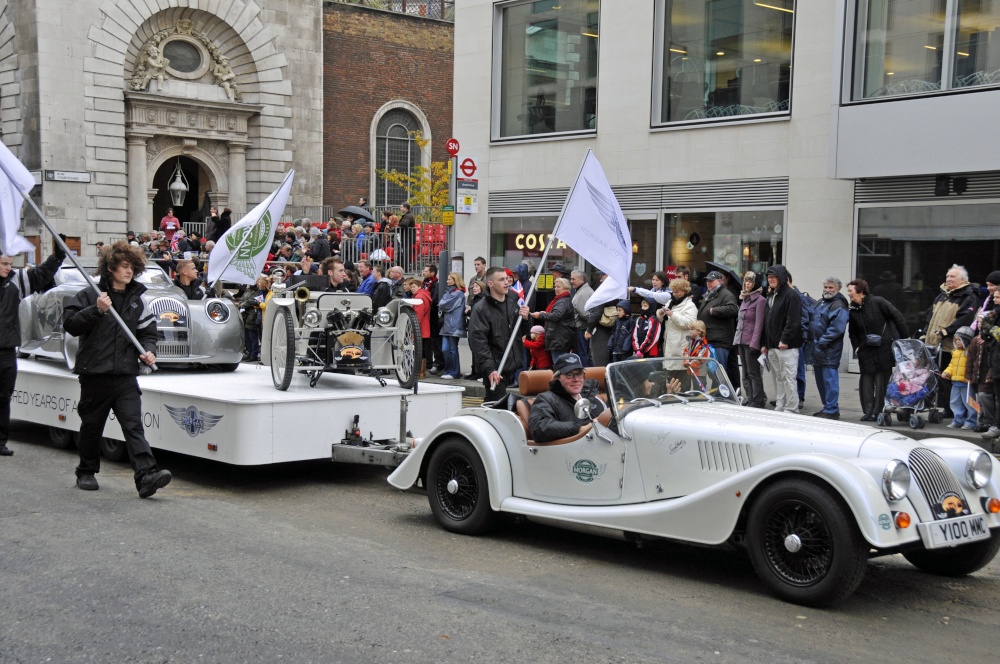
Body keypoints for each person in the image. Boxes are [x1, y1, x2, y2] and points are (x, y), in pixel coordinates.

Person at [62, 241, 172, 497]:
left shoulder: (137, 300)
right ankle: (86, 472)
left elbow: (148, 332)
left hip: (125, 375)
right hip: (95, 374)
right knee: (91, 426)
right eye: (124, 266)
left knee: (133, 426)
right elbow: (70, 324)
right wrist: (96, 310)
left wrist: (148, 349)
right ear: (110, 267)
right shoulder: (90, 294)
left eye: (132, 267)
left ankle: (146, 475)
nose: (129, 271)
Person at [0, 244, 66, 456]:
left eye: (10, 264)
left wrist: (57, 257)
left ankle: (0, 442)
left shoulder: (16, 280)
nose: (8, 268)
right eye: (3, 264)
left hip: (7, 349)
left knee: (4, 397)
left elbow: (40, 275)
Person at [846, 278, 909, 421]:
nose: (848, 294)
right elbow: (852, 332)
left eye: (850, 291)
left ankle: (877, 411)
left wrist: (905, 340)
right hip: (865, 349)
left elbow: (897, 317)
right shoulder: (853, 310)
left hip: (883, 348)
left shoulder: (878, 302)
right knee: (866, 380)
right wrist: (857, 348)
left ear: (860, 291)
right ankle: (868, 411)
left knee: (881, 381)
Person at [922, 264, 979, 415]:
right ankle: (944, 406)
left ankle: (954, 409)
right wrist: (925, 333)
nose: (948, 279)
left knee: (951, 378)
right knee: (938, 376)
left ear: (962, 280)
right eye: (947, 276)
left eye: (952, 276)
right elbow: (931, 315)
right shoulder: (942, 294)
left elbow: (964, 318)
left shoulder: (968, 296)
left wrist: (947, 331)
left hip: (952, 345)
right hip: (935, 343)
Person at [468, 266, 530, 402]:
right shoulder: (481, 309)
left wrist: (525, 319)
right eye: (501, 280)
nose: (506, 282)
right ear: (490, 283)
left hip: (511, 364)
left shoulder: (512, 303)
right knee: (497, 407)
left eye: (507, 279)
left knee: (499, 406)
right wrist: (490, 369)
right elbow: (478, 342)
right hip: (495, 368)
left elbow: (520, 333)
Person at [528, 354, 606, 443]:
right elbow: (539, 428)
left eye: (579, 374)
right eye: (569, 375)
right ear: (557, 378)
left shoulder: (593, 397)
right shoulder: (546, 399)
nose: (576, 379)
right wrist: (579, 428)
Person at [761, 265, 803, 413]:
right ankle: (781, 404)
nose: (770, 280)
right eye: (769, 277)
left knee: (789, 377)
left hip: (786, 346)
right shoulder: (772, 295)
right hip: (772, 345)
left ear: (781, 278)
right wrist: (765, 343)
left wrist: (785, 339)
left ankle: (792, 407)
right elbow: (767, 321)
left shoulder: (791, 295)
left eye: (774, 277)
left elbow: (793, 321)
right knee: (778, 377)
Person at [809, 277, 850, 419]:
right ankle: (827, 408)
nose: (827, 290)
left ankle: (832, 410)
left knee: (829, 380)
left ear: (838, 289)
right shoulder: (821, 302)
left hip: (829, 349)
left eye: (830, 287)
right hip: (817, 347)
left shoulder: (839, 304)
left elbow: (837, 328)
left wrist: (821, 342)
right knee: (821, 380)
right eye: (825, 287)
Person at [734, 271, 767, 408]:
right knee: (745, 373)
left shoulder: (760, 301)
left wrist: (755, 343)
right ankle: (750, 397)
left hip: (751, 342)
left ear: (756, 284)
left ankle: (757, 400)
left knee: (753, 373)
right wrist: (736, 340)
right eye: (746, 281)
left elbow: (759, 324)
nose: (747, 284)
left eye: (750, 281)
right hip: (741, 340)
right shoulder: (744, 298)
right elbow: (740, 322)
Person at [696, 270, 738, 372]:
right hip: (710, 340)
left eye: (711, 281)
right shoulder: (710, 294)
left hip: (719, 342)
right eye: (707, 281)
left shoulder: (726, 294)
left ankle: (721, 389)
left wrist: (714, 310)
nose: (708, 283)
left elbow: (733, 309)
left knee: (718, 372)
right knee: (712, 372)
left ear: (720, 281)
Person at [531, 277, 575, 364]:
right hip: (559, 337)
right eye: (555, 287)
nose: (556, 289)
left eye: (558, 287)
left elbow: (556, 316)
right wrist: (545, 313)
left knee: (559, 364)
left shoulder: (562, 301)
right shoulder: (562, 300)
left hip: (559, 338)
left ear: (566, 289)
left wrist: (540, 315)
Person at [658, 277, 698, 374]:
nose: (675, 294)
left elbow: (690, 323)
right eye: (673, 292)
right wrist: (660, 313)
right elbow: (661, 318)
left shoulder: (690, 306)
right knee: (671, 378)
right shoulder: (671, 302)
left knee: (681, 379)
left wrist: (673, 315)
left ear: (684, 291)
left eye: (677, 292)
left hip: (681, 346)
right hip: (669, 345)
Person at [942, 326, 976, 429]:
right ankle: (957, 420)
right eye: (955, 340)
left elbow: (973, 366)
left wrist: (971, 376)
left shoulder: (970, 353)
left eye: (959, 340)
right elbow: (951, 365)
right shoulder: (955, 352)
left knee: (970, 402)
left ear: (966, 341)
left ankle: (971, 421)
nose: (957, 342)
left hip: (966, 382)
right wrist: (947, 372)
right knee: (955, 402)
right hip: (955, 382)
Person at [585, 271, 617, 367]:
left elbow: (596, 313)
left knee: (599, 361)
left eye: (603, 274)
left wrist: (589, 330)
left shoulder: (603, 290)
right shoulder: (617, 289)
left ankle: (602, 381)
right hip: (614, 328)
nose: (600, 276)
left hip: (601, 329)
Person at [438, 272, 467, 379]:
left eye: (449, 279)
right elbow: (442, 303)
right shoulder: (449, 292)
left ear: (455, 281)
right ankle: (448, 370)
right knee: (445, 349)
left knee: (452, 349)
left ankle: (454, 372)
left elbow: (444, 305)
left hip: (454, 325)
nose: (447, 281)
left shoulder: (458, 293)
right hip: (447, 325)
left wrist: (442, 303)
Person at [405, 277, 433, 379]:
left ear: (419, 287)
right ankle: (422, 372)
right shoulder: (424, 295)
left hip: (420, 327)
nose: (412, 288)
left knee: (419, 350)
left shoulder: (419, 297)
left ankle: (420, 373)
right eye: (411, 287)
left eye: (414, 286)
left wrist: (413, 328)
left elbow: (418, 314)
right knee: (423, 350)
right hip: (425, 326)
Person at [239, 275, 269, 362]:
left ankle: (254, 354)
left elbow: (252, 301)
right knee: (248, 336)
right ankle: (250, 353)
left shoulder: (259, 292)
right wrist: (242, 304)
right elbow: (243, 300)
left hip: (254, 316)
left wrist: (244, 304)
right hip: (246, 315)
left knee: (253, 337)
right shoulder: (248, 290)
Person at [570, 270, 594, 365]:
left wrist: (591, 325)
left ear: (582, 279)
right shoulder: (583, 291)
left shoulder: (582, 294)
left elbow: (585, 314)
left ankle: (584, 376)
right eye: (571, 279)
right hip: (583, 329)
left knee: (582, 356)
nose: (571, 281)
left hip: (581, 329)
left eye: (573, 279)